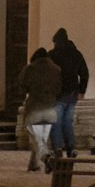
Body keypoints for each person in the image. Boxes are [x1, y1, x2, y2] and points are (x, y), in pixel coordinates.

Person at [19, 42, 64, 173]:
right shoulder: (56, 69)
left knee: (37, 139)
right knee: (42, 138)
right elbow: (59, 88)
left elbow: (22, 85)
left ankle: (46, 158)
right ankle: (33, 164)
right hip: (50, 107)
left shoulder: (29, 69)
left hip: (34, 107)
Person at [49, 26, 90, 158]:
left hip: (58, 94)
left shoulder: (52, 55)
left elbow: (48, 75)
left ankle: (57, 147)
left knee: (56, 122)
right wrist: (82, 90)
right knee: (67, 122)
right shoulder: (76, 54)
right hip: (72, 94)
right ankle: (71, 147)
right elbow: (84, 73)